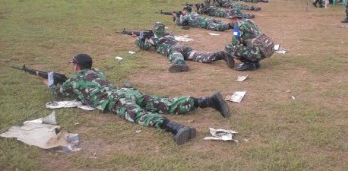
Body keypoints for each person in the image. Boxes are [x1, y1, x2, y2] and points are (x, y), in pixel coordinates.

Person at [36, 54, 230, 145]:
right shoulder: (97, 72)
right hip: (127, 93)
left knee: (139, 115)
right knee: (162, 102)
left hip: (114, 100)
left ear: (77, 66)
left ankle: (176, 128)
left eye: (73, 65)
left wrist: (49, 83)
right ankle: (205, 101)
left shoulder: (75, 81)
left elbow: (59, 93)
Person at [136, 22, 235, 72]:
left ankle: (180, 64)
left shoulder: (154, 39)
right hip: (183, 47)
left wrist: (139, 39)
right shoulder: (169, 35)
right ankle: (220, 54)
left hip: (174, 49)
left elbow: (145, 47)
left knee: (175, 55)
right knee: (200, 56)